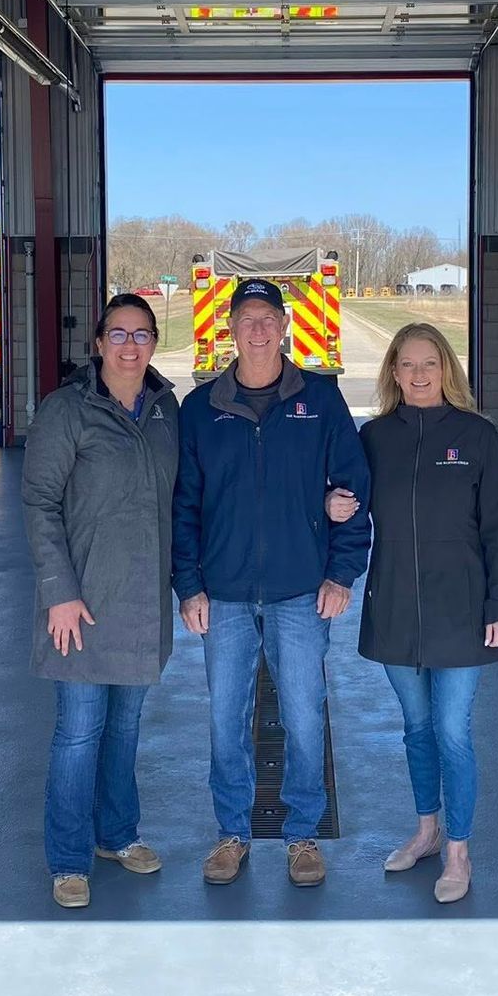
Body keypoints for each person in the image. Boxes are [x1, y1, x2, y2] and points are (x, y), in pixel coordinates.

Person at [174, 276, 371, 888]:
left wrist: (342, 573)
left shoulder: (320, 400)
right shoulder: (200, 409)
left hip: (299, 591)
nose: (257, 330)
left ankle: (303, 836)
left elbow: (354, 488)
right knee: (224, 718)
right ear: (229, 330)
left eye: (268, 319)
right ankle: (232, 833)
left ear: (284, 327)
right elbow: (184, 504)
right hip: (225, 593)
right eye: (246, 320)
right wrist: (189, 585)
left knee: (305, 716)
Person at [337, 322, 498, 904]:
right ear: (393, 371)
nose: (419, 375)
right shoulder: (375, 438)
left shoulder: (476, 435)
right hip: (394, 606)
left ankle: (459, 851)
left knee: (451, 732)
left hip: (462, 610)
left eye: (430, 364)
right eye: (407, 365)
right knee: (416, 731)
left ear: (446, 371)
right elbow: (350, 504)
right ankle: (426, 830)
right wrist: (331, 504)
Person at [20, 294, 181, 910]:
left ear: (154, 343)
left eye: (142, 334)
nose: (130, 346)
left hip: (142, 604)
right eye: (119, 333)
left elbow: (183, 501)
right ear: (98, 343)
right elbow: (39, 505)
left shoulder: (166, 410)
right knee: (79, 734)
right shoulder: (68, 412)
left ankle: (117, 835)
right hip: (80, 606)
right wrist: (59, 594)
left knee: (126, 729)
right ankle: (68, 859)